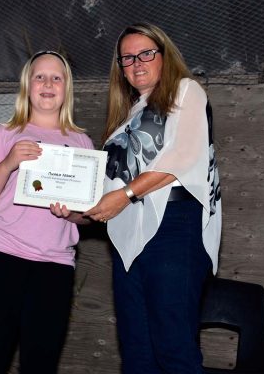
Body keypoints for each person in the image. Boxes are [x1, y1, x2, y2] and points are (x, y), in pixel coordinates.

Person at [84, 23, 222, 373]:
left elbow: (184, 157)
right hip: (128, 239)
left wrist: (126, 194)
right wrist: (70, 209)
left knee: (174, 349)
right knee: (137, 354)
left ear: (164, 55)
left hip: (175, 228)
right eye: (127, 58)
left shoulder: (186, 91)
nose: (137, 63)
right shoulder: (125, 118)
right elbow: (105, 192)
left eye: (146, 53)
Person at [0, 50, 93, 374]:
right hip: (2, 259)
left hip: (55, 267)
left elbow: (88, 214)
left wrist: (72, 214)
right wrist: (8, 162)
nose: (48, 83)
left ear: (67, 88)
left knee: (40, 365)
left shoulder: (82, 143)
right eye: (40, 76)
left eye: (56, 77)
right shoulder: (6, 133)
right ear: (27, 86)